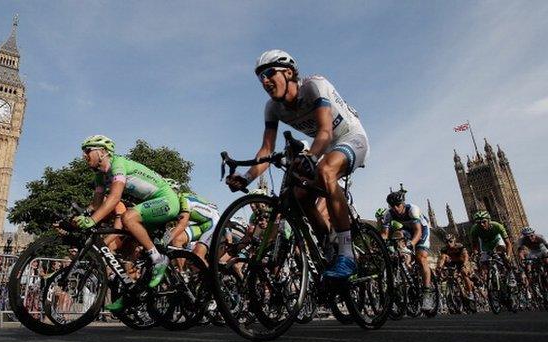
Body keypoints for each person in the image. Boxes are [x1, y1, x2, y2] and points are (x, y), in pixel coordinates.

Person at [225, 50, 369, 280]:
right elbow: (266, 151)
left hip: (350, 137)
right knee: (298, 195)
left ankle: (346, 253)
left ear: (289, 72)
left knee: (325, 170)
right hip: (327, 146)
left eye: (270, 72)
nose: (264, 80)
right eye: (260, 76)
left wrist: (310, 156)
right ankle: (328, 244)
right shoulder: (272, 108)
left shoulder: (314, 87)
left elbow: (325, 131)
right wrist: (245, 177)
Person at [75, 135, 180, 312]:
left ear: (102, 152)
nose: (84, 156)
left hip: (167, 200)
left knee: (128, 218)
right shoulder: (100, 176)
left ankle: (158, 259)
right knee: (129, 251)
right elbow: (95, 205)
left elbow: (115, 198)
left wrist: (92, 220)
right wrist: (79, 218)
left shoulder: (118, 165)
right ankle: (132, 294)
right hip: (151, 205)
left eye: (88, 151)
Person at [380, 190, 434, 311]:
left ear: (403, 203)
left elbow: (418, 231)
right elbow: (384, 234)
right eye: (392, 206)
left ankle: (427, 293)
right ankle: (406, 268)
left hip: (421, 230)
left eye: (397, 205)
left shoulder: (412, 209)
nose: (395, 208)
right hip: (406, 231)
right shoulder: (389, 214)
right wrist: (380, 244)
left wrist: (411, 244)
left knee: (421, 257)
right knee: (397, 237)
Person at [166, 180, 220, 266]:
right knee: (177, 240)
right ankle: (181, 274)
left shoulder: (184, 200)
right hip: (202, 224)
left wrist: (165, 239)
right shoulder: (175, 203)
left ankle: (211, 278)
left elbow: (182, 224)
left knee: (198, 255)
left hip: (214, 223)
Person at [469, 211, 514, 284]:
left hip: (497, 241)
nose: (482, 224)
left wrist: (508, 256)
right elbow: (474, 245)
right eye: (478, 223)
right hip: (485, 244)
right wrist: (476, 254)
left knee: (503, 255)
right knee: (482, 262)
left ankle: (510, 275)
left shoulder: (497, 226)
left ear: (489, 221)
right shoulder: (474, 229)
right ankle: (488, 282)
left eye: (484, 222)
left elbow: (508, 243)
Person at [437, 233, 475, 301]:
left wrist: (465, 264)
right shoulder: (444, 249)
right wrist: (439, 267)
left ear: (454, 241)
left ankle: (470, 293)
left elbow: (466, 256)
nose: (448, 243)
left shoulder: (459, 246)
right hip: (452, 263)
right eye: (446, 242)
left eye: (450, 241)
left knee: (463, 272)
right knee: (443, 259)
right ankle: (456, 291)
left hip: (462, 261)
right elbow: (441, 259)